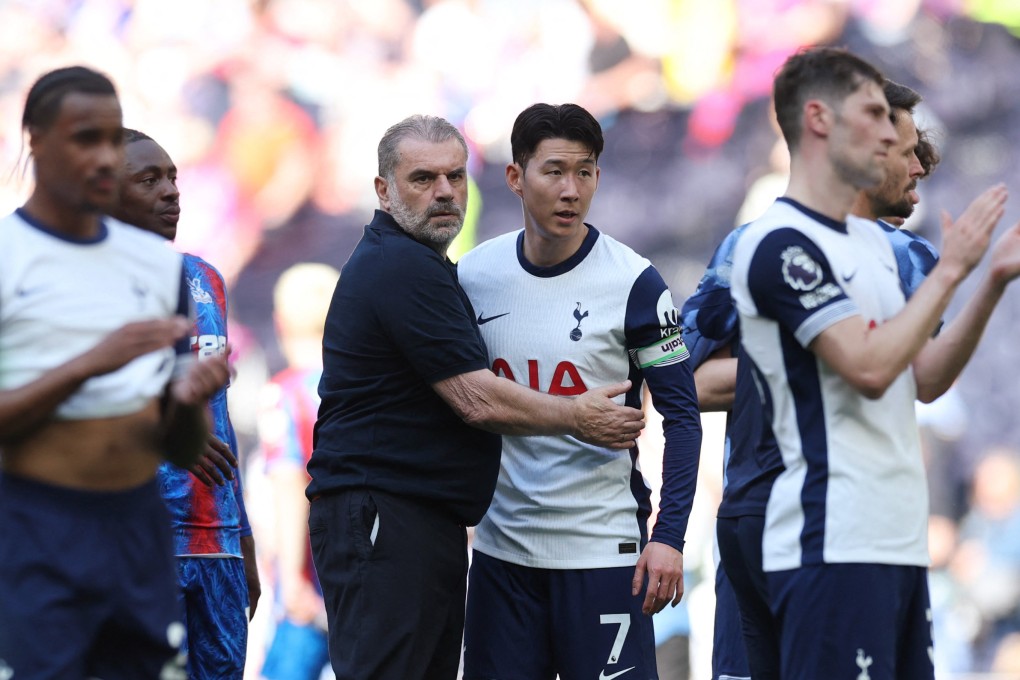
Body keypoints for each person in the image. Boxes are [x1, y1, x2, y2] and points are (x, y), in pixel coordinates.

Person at [307, 113, 646, 680]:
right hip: (384, 516)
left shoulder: (430, 266)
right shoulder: (399, 265)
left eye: (455, 177)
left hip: (419, 521)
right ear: (383, 190)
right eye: (422, 179)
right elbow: (476, 400)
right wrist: (575, 416)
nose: (444, 192)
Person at [728, 46, 1020, 679]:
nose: (893, 134)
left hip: (896, 538)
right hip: (829, 541)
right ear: (819, 120)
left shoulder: (878, 246)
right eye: (874, 115)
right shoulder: (779, 244)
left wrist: (991, 279)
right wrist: (951, 272)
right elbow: (867, 366)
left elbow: (926, 377)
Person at [684, 78, 942, 680]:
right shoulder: (751, 245)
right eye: (904, 149)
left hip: (869, 524)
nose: (920, 167)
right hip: (765, 512)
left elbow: (925, 379)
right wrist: (808, 352)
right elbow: (686, 382)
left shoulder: (917, 259)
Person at [456, 102, 703, 680]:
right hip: (501, 558)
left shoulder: (635, 282)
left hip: (603, 555)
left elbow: (682, 416)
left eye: (585, 172)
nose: (571, 190)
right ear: (516, 178)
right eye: (555, 171)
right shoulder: (473, 277)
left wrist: (669, 537)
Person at [0, 65, 230, 679]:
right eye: (84, 138)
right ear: (37, 141)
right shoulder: (8, 258)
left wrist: (187, 402)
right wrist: (92, 363)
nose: (102, 155)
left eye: (109, 137)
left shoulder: (159, 269)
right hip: (35, 527)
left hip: (138, 528)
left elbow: (182, 448)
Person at [109, 128, 261, 679]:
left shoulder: (205, 280)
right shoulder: (85, 287)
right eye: (148, 180)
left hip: (215, 539)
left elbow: (218, 415)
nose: (171, 191)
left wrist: (242, 537)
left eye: (173, 177)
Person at [258, 263, 339, 680]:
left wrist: (290, 576)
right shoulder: (353, 388)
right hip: (358, 579)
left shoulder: (286, 396)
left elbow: (291, 486)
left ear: (279, 323)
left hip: (307, 587)